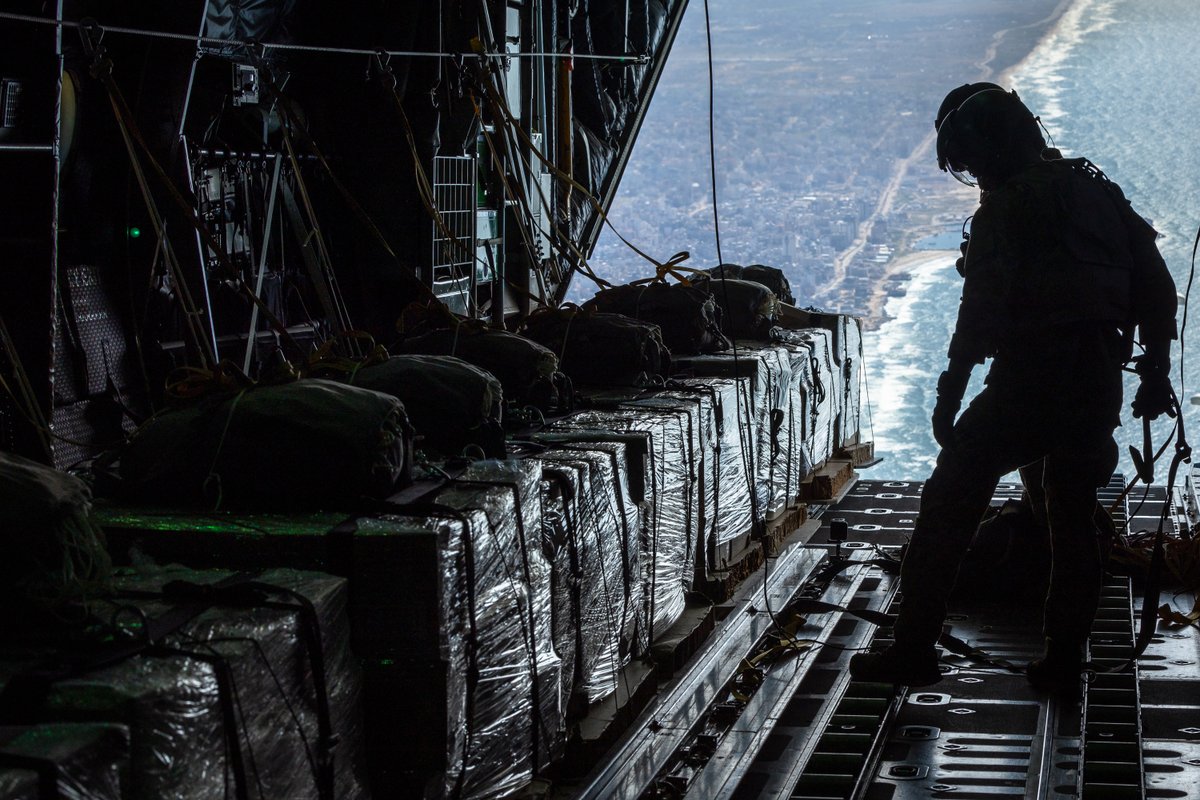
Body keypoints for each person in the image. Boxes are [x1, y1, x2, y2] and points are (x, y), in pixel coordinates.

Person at [848, 83, 1178, 692]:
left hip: (1030, 383)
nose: (973, 176)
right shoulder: (1100, 193)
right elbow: (1156, 288)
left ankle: (914, 646)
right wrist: (1155, 371)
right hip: (1097, 384)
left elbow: (980, 314)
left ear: (991, 151)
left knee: (950, 499)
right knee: (1072, 515)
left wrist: (949, 397)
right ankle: (1063, 663)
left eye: (972, 164)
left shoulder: (1007, 207)